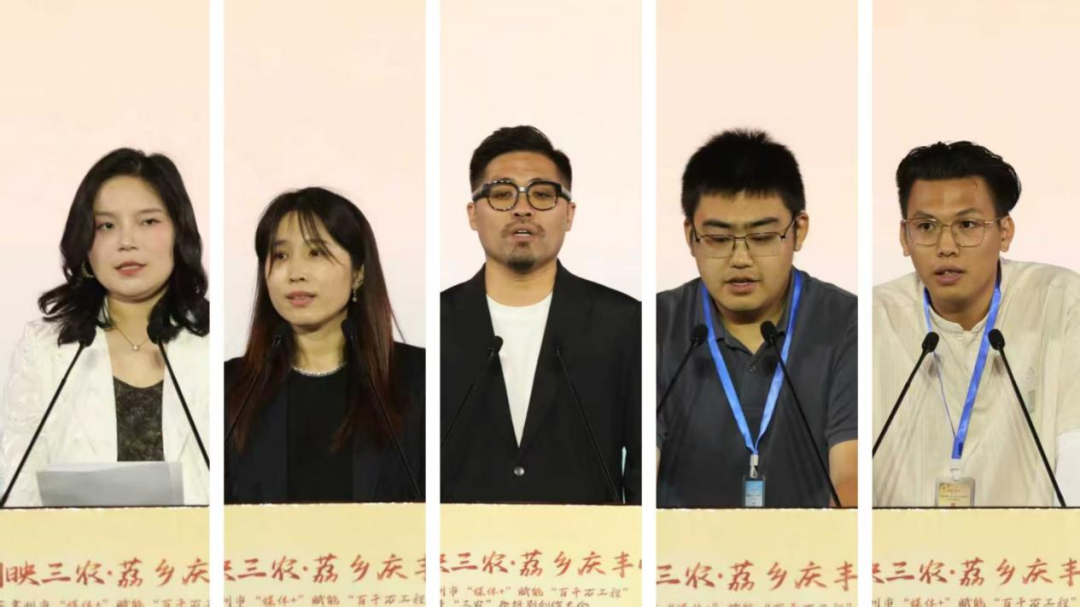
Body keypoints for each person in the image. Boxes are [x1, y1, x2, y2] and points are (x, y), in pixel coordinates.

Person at [657, 129, 858, 508]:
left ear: (799, 230)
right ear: (690, 236)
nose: (740, 259)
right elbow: (641, 470)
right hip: (681, 546)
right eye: (718, 239)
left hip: (813, 543)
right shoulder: (655, 324)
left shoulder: (848, 323)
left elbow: (851, 475)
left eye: (762, 237)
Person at [873, 141, 1080, 507]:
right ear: (905, 237)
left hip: (1033, 542)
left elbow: (1075, 456)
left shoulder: (1060, 302)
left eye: (967, 225)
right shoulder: (872, 320)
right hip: (902, 544)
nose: (946, 246)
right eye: (926, 226)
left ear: (1005, 232)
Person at [441, 126, 641, 504]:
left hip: (586, 540)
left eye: (542, 195)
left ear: (569, 214)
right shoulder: (438, 324)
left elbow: (643, 469)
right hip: (461, 539)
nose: (522, 208)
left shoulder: (623, 323)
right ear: (473, 214)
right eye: (502, 194)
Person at [0, 148, 209, 507]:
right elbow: (18, 492)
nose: (127, 241)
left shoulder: (214, 344)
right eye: (106, 226)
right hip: (73, 544)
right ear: (85, 245)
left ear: (179, 233)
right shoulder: (46, 349)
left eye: (148, 222)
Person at [225, 187, 424, 504]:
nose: (295, 273)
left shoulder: (419, 379)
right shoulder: (231, 387)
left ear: (358, 273)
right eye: (280, 255)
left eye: (315, 253)